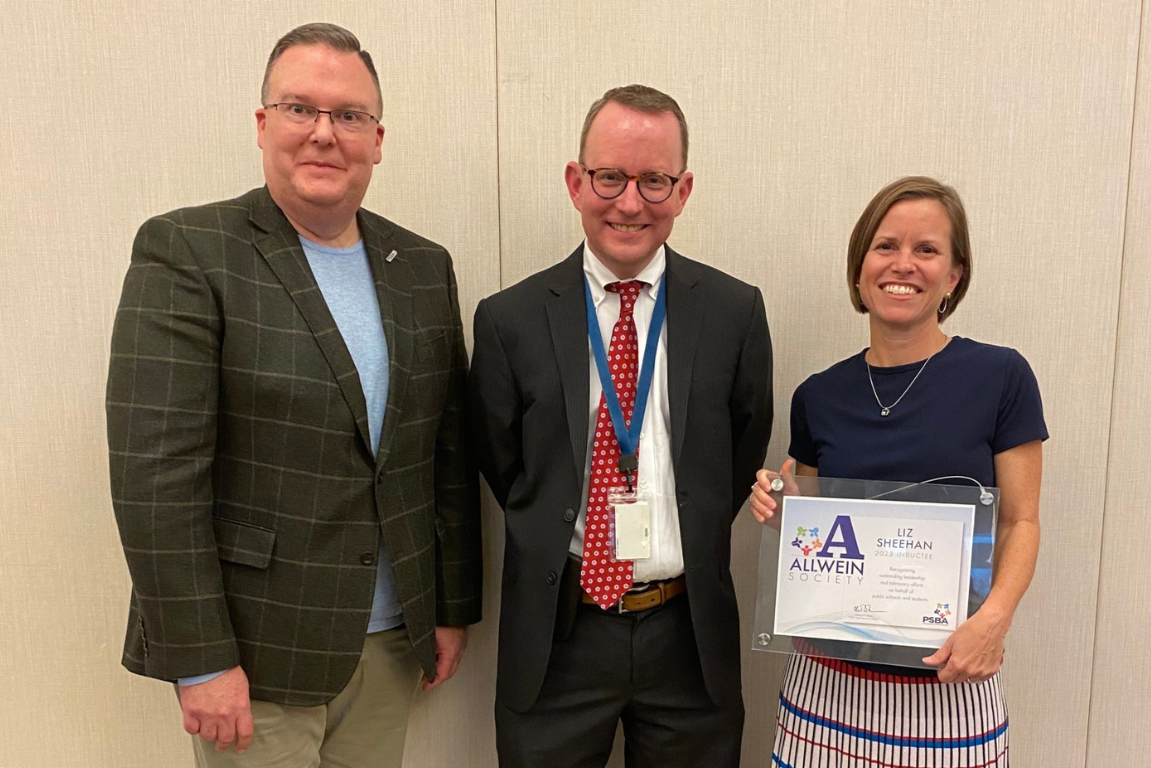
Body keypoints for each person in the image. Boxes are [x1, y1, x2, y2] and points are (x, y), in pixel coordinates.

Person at [106, 22, 482, 768]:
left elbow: (446, 458)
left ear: (377, 138)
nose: (323, 134)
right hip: (255, 655)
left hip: (389, 642)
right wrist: (201, 659)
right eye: (299, 109)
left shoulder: (422, 268)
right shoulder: (188, 252)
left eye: (348, 116)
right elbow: (155, 480)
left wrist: (449, 607)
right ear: (262, 124)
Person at [469, 84, 773, 768]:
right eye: (609, 176)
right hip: (558, 636)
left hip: (686, 636)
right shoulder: (508, 321)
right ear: (576, 182)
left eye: (653, 181)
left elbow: (736, 456)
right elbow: (505, 466)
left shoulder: (734, 314)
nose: (630, 202)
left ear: (683, 189)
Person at [750, 176, 1046, 767]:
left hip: (949, 687)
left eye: (927, 249)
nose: (902, 265)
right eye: (885, 246)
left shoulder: (1001, 377)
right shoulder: (819, 395)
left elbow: (1022, 521)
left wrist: (994, 621)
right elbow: (809, 526)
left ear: (954, 275)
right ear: (860, 268)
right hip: (825, 693)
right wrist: (778, 507)